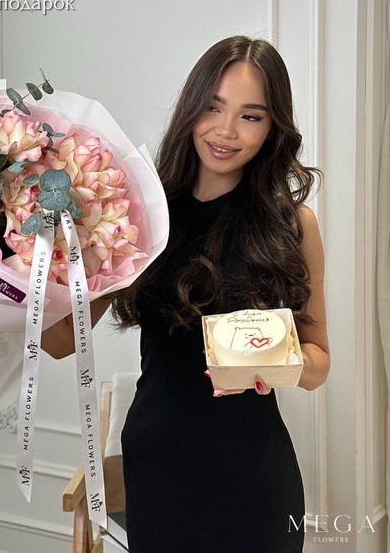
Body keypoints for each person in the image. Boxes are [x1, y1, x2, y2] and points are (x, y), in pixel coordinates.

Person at [41, 35, 330, 552]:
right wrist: (2, 279)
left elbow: (319, 362)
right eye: (213, 107)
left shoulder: (291, 226)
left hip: (253, 478)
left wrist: (279, 359)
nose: (226, 130)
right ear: (190, 109)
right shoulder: (137, 216)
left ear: (273, 128)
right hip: (159, 471)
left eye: (250, 116)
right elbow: (62, 341)